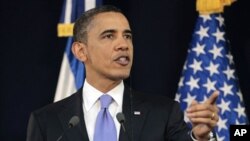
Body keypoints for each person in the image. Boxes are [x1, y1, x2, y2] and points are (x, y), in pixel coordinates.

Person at [26, 5, 219, 141]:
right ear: (81, 51)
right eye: (109, 36)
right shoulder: (46, 121)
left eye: (127, 36)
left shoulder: (163, 113)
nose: (123, 45)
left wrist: (201, 138)